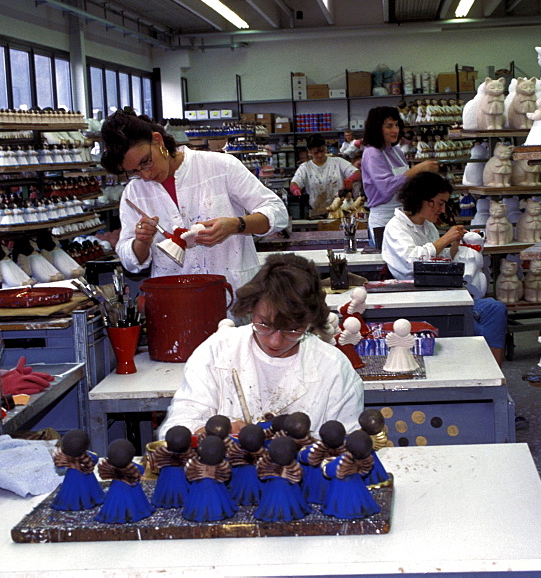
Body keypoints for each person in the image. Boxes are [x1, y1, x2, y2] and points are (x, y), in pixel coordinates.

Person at [158, 253, 364, 438]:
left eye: (292, 330)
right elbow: (174, 430)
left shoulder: (333, 367)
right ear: (251, 307)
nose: (275, 341)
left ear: (310, 321)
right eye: (265, 324)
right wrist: (214, 431)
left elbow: (350, 445)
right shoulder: (217, 351)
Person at [100, 110, 288, 294]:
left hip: (233, 292)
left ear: (157, 140)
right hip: (175, 298)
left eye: (146, 162)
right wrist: (142, 241)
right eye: (134, 171)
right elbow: (129, 261)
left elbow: (278, 212)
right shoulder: (134, 193)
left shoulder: (220, 166)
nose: (146, 175)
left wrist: (236, 225)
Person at [381, 171, 509, 365]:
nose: (442, 209)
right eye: (440, 203)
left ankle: (496, 375)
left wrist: (457, 246)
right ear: (424, 200)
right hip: (417, 301)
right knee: (476, 330)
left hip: (442, 293)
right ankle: (482, 369)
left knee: (495, 309)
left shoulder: (428, 227)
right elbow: (410, 263)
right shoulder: (396, 227)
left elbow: (439, 258)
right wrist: (445, 239)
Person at [360, 106, 438, 247]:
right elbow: (386, 187)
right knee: (389, 264)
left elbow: (406, 182)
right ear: (376, 128)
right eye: (389, 126)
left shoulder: (396, 151)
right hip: (384, 219)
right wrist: (417, 169)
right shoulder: (372, 153)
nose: (395, 130)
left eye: (396, 125)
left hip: (404, 215)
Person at [290, 134, 359, 218]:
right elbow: (295, 182)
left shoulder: (338, 162)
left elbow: (357, 172)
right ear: (309, 151)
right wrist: (295, 188)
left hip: (339, 212)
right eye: (315, 152)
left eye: (322, 151)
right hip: (316, 213)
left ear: (325, 148)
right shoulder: (305, 167)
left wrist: (351, 179)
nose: (319, 155)